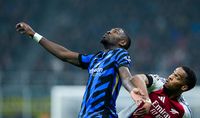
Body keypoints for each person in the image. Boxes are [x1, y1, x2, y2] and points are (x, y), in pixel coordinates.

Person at [16, 22, 151, 118]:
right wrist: (34, 35)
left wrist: (132, 89)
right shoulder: (95, 58)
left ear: (122, 43)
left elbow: (125, 75)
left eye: (115, 32)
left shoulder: (120, 53)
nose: (109, 31)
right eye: (110, 30)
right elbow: (65, 55)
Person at [119, 66, 197, 118]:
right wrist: (147, 101)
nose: (170, 77)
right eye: (173, 73)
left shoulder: (184, 112)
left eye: (176, 77)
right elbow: (137, 78)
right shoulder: (158, 84)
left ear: (184, 87)